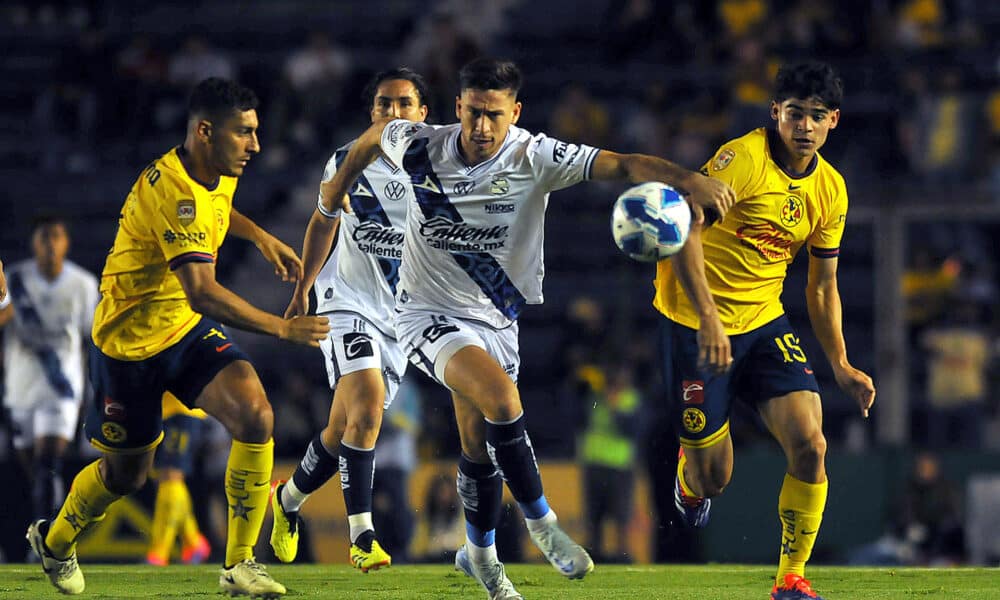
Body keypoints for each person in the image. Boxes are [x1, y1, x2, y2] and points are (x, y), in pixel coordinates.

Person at [319, 57, 735, 600]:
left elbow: (625, 165)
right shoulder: (420, 144)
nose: (482, 128)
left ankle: (482, 558)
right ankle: (544, 525)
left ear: (515, 112)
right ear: (458, 108)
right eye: (472, 113)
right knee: (502, 398)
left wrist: (686, 180)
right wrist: (334, 195)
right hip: (424, 313)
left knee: (477, 447)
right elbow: (374, 136)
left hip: (498, 317)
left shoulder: (535, 154)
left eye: (494, 115)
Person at [25, 77, 330, 597]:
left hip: (181, 332)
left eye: (256, 132)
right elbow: (203, 294)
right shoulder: (174, 192)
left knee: (255, 414)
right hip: (128, 346)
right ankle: (54, 543)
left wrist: (259, 237)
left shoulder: (215, 166)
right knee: (127, 477)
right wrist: (281, 327)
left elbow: (219, 209)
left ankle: (238, 566)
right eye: (245, 134)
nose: (255, 145)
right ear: (205, 130)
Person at [654, 61, 876, 600]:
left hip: (762, 322)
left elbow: (822, 286)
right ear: (775, 112)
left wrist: (841, 364)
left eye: (815, 116)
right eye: (794, 113)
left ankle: (790, 578)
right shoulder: (742, 160)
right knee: (716, 479)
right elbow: (683, 227)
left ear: (833, 122)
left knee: (812, 445)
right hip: (693, 322)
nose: (803, 125)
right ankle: (690, 478)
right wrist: (708, 317)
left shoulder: (831, 191)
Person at [269, 67, 431, 572]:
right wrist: (303, 291)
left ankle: (287, 500)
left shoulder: (443, 169)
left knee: (344, 431)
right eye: (384, 104)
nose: (394, 113)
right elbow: (322, 223)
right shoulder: (345, 161)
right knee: (367, 408)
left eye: (405, 104)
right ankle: (362, 537)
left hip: (400, 319)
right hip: (346, 302)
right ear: (371, 113)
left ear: (423, 114)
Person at [0, 216, 98, 521]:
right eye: (44, 237)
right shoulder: (14, 279)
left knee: (48, 462)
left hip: (63, 389)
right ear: (33, 243)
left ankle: (49, 538)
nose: (50, 244)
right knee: (32, 469)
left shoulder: (83, 284)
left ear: (66, 242)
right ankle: (42, 524)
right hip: (20, 389)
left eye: (56, 236)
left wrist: (92, 391)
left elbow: (90, 340)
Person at [145, 393, 212, 566]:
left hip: (182, 409)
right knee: (164, 477)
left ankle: (159, 552)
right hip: (166, 410)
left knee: (170, 475)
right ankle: (194, 542)